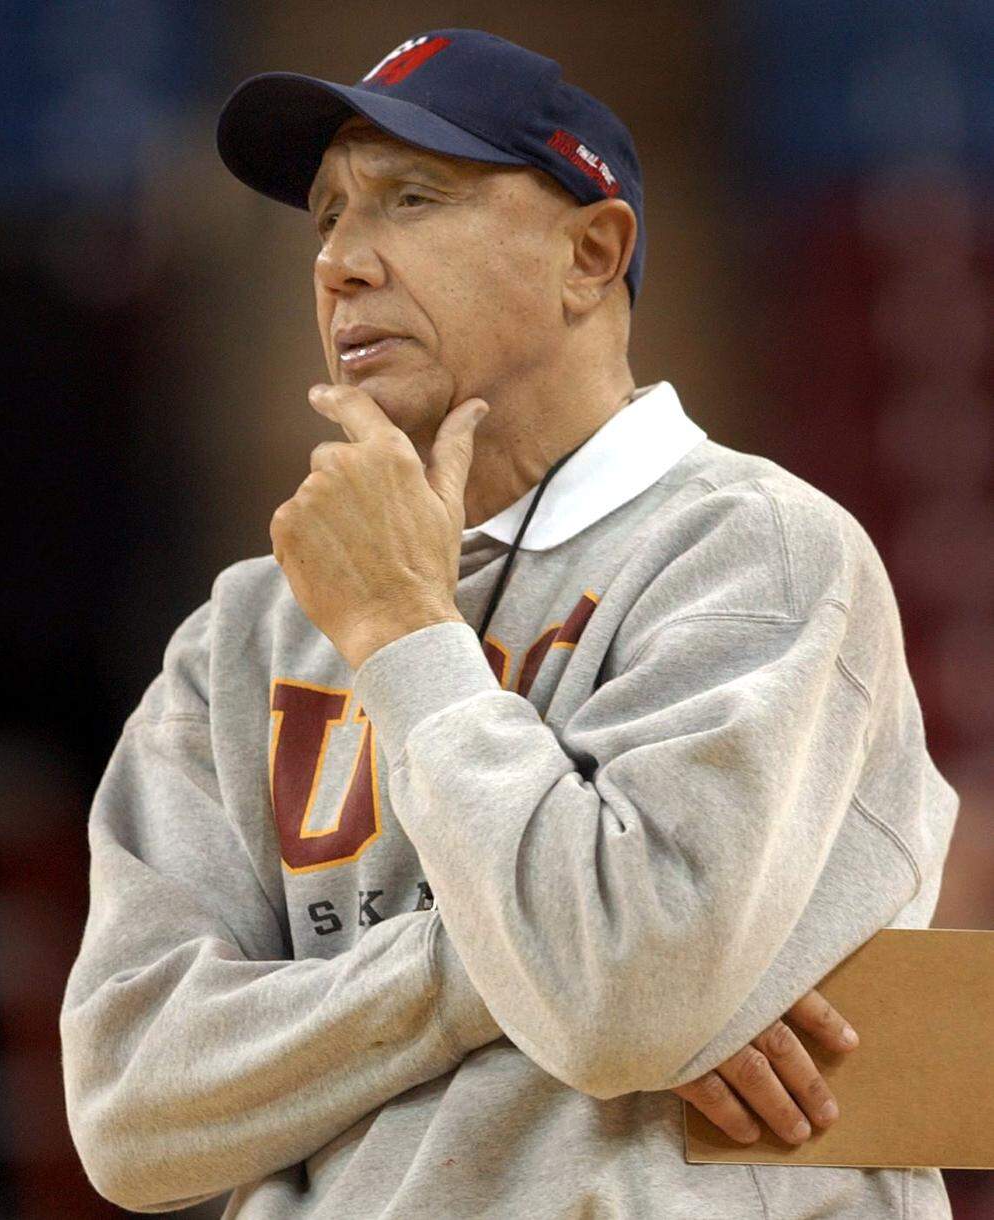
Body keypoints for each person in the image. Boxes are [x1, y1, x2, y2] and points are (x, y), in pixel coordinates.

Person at [59, 29, 959, 1219]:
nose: (338, 263)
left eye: (411, 197)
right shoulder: (242, 631)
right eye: (325, 217)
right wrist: (534, 966)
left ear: (592, 253)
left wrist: (399, 630)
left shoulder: (759, 550)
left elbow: (616, 996)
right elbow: (130, 1109)